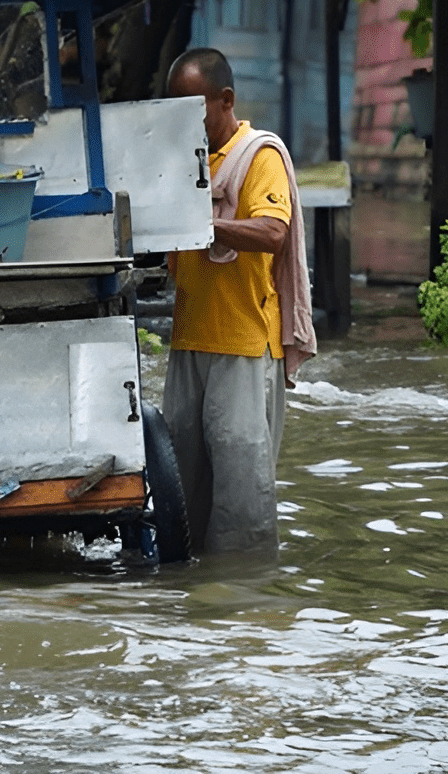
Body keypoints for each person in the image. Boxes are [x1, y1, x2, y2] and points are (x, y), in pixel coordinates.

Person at [161, 47, 315, 555]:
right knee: (182, 493)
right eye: (175, 109)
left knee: (242, 497)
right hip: (189, 342)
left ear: (225, 100)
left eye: (195, 108)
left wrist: (202, 223)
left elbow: (272, 232)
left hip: (244, 346)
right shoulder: (182, 162)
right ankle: (188, 594)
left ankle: (245, 595)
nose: (185, 122)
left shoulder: (258, 155)